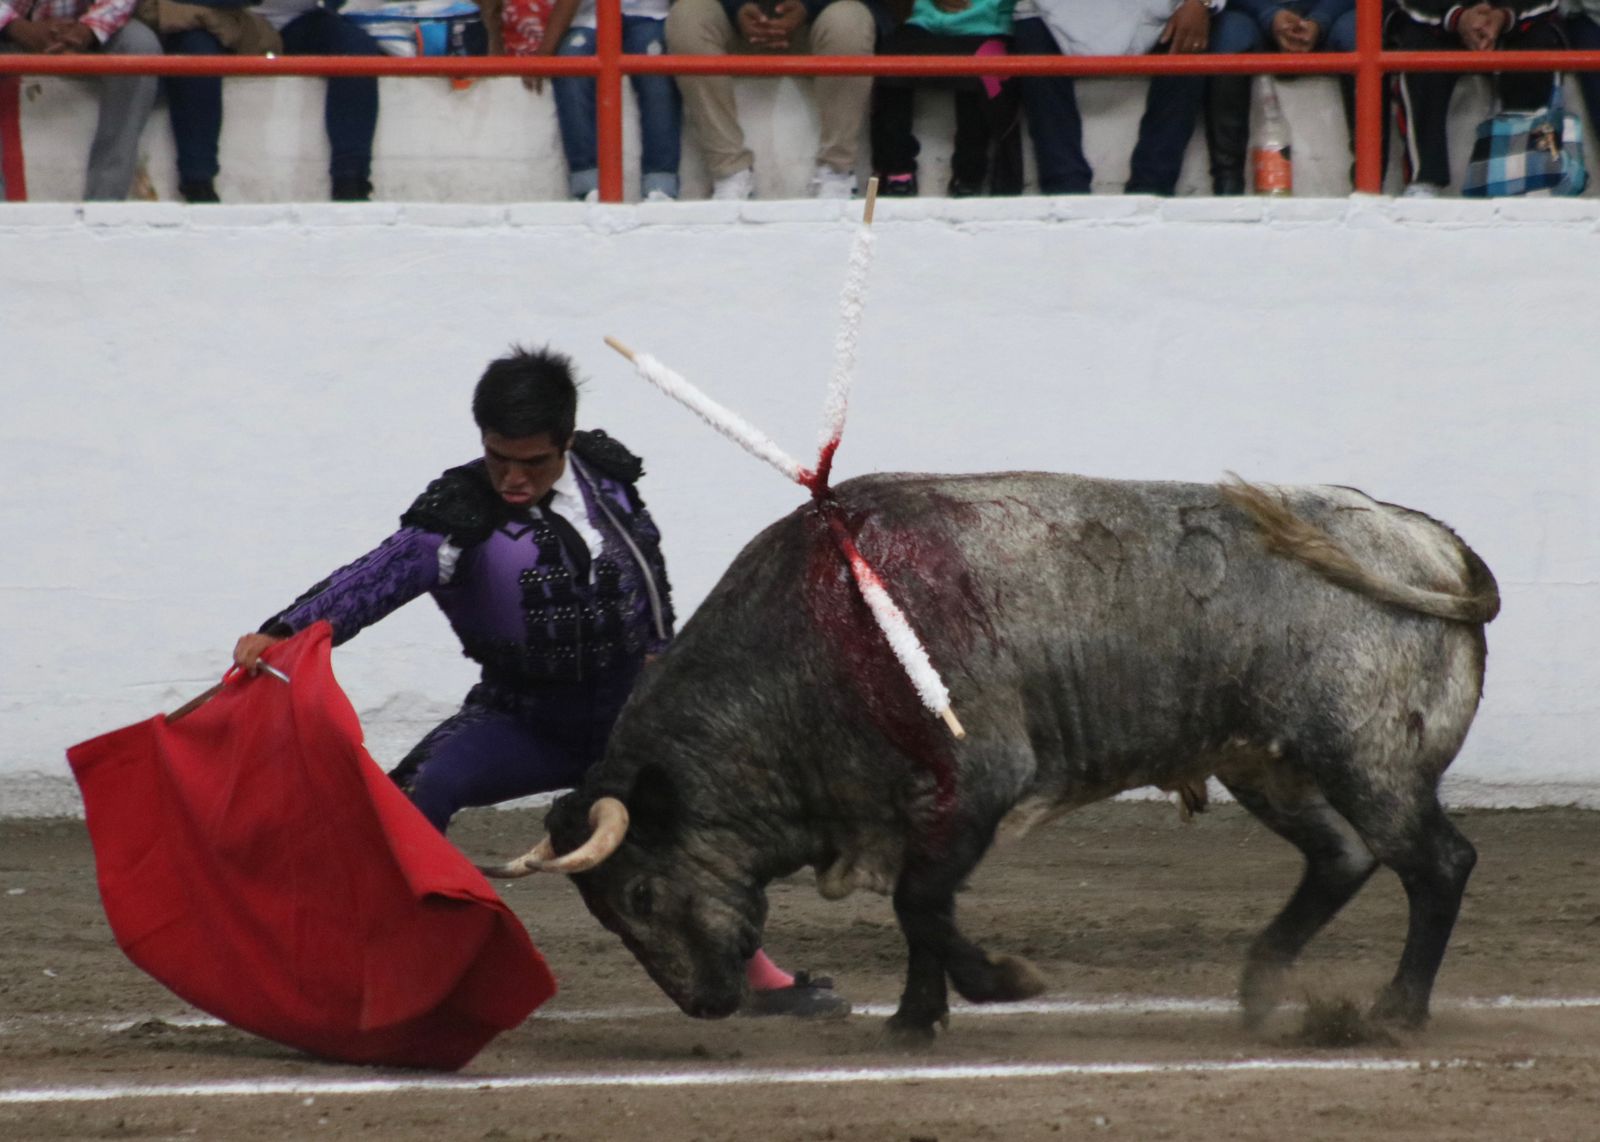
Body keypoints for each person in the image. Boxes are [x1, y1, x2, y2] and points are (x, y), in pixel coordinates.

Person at [232, 345, 850, 1019]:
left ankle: (758, 977)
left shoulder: (607, 478)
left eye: (532, 461)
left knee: (691, 838)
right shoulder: (456, 516)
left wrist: (662, 669)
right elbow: (372, 581)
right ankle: (362, 975)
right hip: (520, 719)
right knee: (410, 803)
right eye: (498, 457)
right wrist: (284, 629)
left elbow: (649, 578)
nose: (512, 478)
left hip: (630, 719)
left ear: (566, 439)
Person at [1012, 0, 1255, 196]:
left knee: (1191, 39)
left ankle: (1152, 188)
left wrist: (1199, 3)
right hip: (1053, 11)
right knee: (1030, 36)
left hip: (1160, 10)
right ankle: (1065, 189)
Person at [161, 0, 385, 203]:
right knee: (196, 55)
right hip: (218, 17)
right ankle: (198, 183)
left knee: (355, 49)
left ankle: (351, 184)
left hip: (296, 22)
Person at [665, 0, 876, 199]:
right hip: (733, 26)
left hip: (815, 26)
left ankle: (836, 174)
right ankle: (729, 173)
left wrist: (808, 5)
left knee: (850, 19)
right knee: (687, 15)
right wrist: (736, 7)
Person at [1389, 0, 1564, 197]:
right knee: (1418, 57)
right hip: (1437, 22)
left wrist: (1504, 17)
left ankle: (1527, 173)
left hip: (1514, 20)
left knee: (1539, 48)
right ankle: (1425, 180)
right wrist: (1458, 18)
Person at [0, 0, 160, 200]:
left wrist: (87, 31)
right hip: (11, 30)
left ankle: (104, 204)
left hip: (88, 31)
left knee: (139, 45)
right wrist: (16, 27)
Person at [529, 0, 681, 201]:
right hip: (589, 19)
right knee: (572, 65)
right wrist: (543, 55)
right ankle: (587, 185)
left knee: (656, 69)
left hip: (652, 14)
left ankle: (661, 186)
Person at [869, 0, 1023, 197]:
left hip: (990, 27)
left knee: (984, 72)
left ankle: (969, 176)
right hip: (926, 22)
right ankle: (896, 169)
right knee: (890, 62)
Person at [1207, 0, 1358, 194]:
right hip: (1253, 15)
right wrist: (1270, 15)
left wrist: (1320, 20)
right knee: (1231, 35)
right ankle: (1227, 188)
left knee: (1357, 33)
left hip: (1334, 15)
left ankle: (1369, 184)